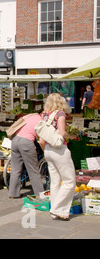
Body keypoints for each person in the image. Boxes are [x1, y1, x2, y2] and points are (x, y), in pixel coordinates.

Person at [39, 93, 78, 221]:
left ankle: (54, 210)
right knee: (69, 181)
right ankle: (58, 209)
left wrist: (46, 151)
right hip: (59, 150)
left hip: (48, 150)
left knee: (55, 181)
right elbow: (62, 133)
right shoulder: (60, 114)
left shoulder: (44, 115)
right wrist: (72, 136)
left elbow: (41, 140)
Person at [8, 113, 44, 199]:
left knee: (15, 169)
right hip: (26, 142)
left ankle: (13, 193)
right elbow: (41, 140)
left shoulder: (30, 116)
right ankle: (40, 195)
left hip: (15, 140)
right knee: (33, 170)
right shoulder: (41, 121)